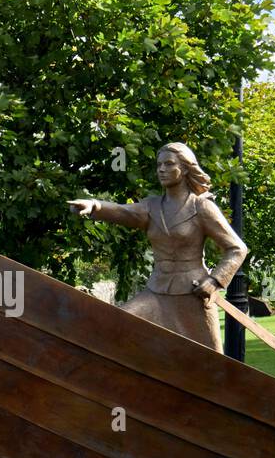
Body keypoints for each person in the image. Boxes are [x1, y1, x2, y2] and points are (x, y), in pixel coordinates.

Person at [69, 142, 247, 353]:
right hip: (157, 292)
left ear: (185, 168)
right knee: (116, 323)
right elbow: (123, 211)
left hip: (193, 295)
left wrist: (215, 280)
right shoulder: (151, 206)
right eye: (159, 164)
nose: (162, 169)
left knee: (212, 365)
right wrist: (95, 206)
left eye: (169, 164)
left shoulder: (202, 207)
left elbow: (237, 248)